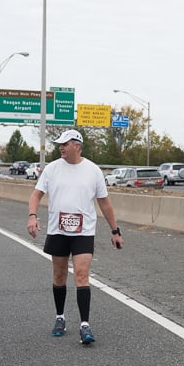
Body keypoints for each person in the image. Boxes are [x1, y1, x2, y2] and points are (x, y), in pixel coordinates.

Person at [27, 129, 123, 345]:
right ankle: (60, 317)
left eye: (65, 144)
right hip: (58, 230)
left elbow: (104, 202)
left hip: (83, 231)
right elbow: (36, 194)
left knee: (81, 274)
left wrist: (115, 231)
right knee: (59, 276)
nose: (61, 147)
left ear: (77, 146)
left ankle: (84, 325)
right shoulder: (52, 169)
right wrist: (32, 216)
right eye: (60, 144)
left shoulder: (93, 171)